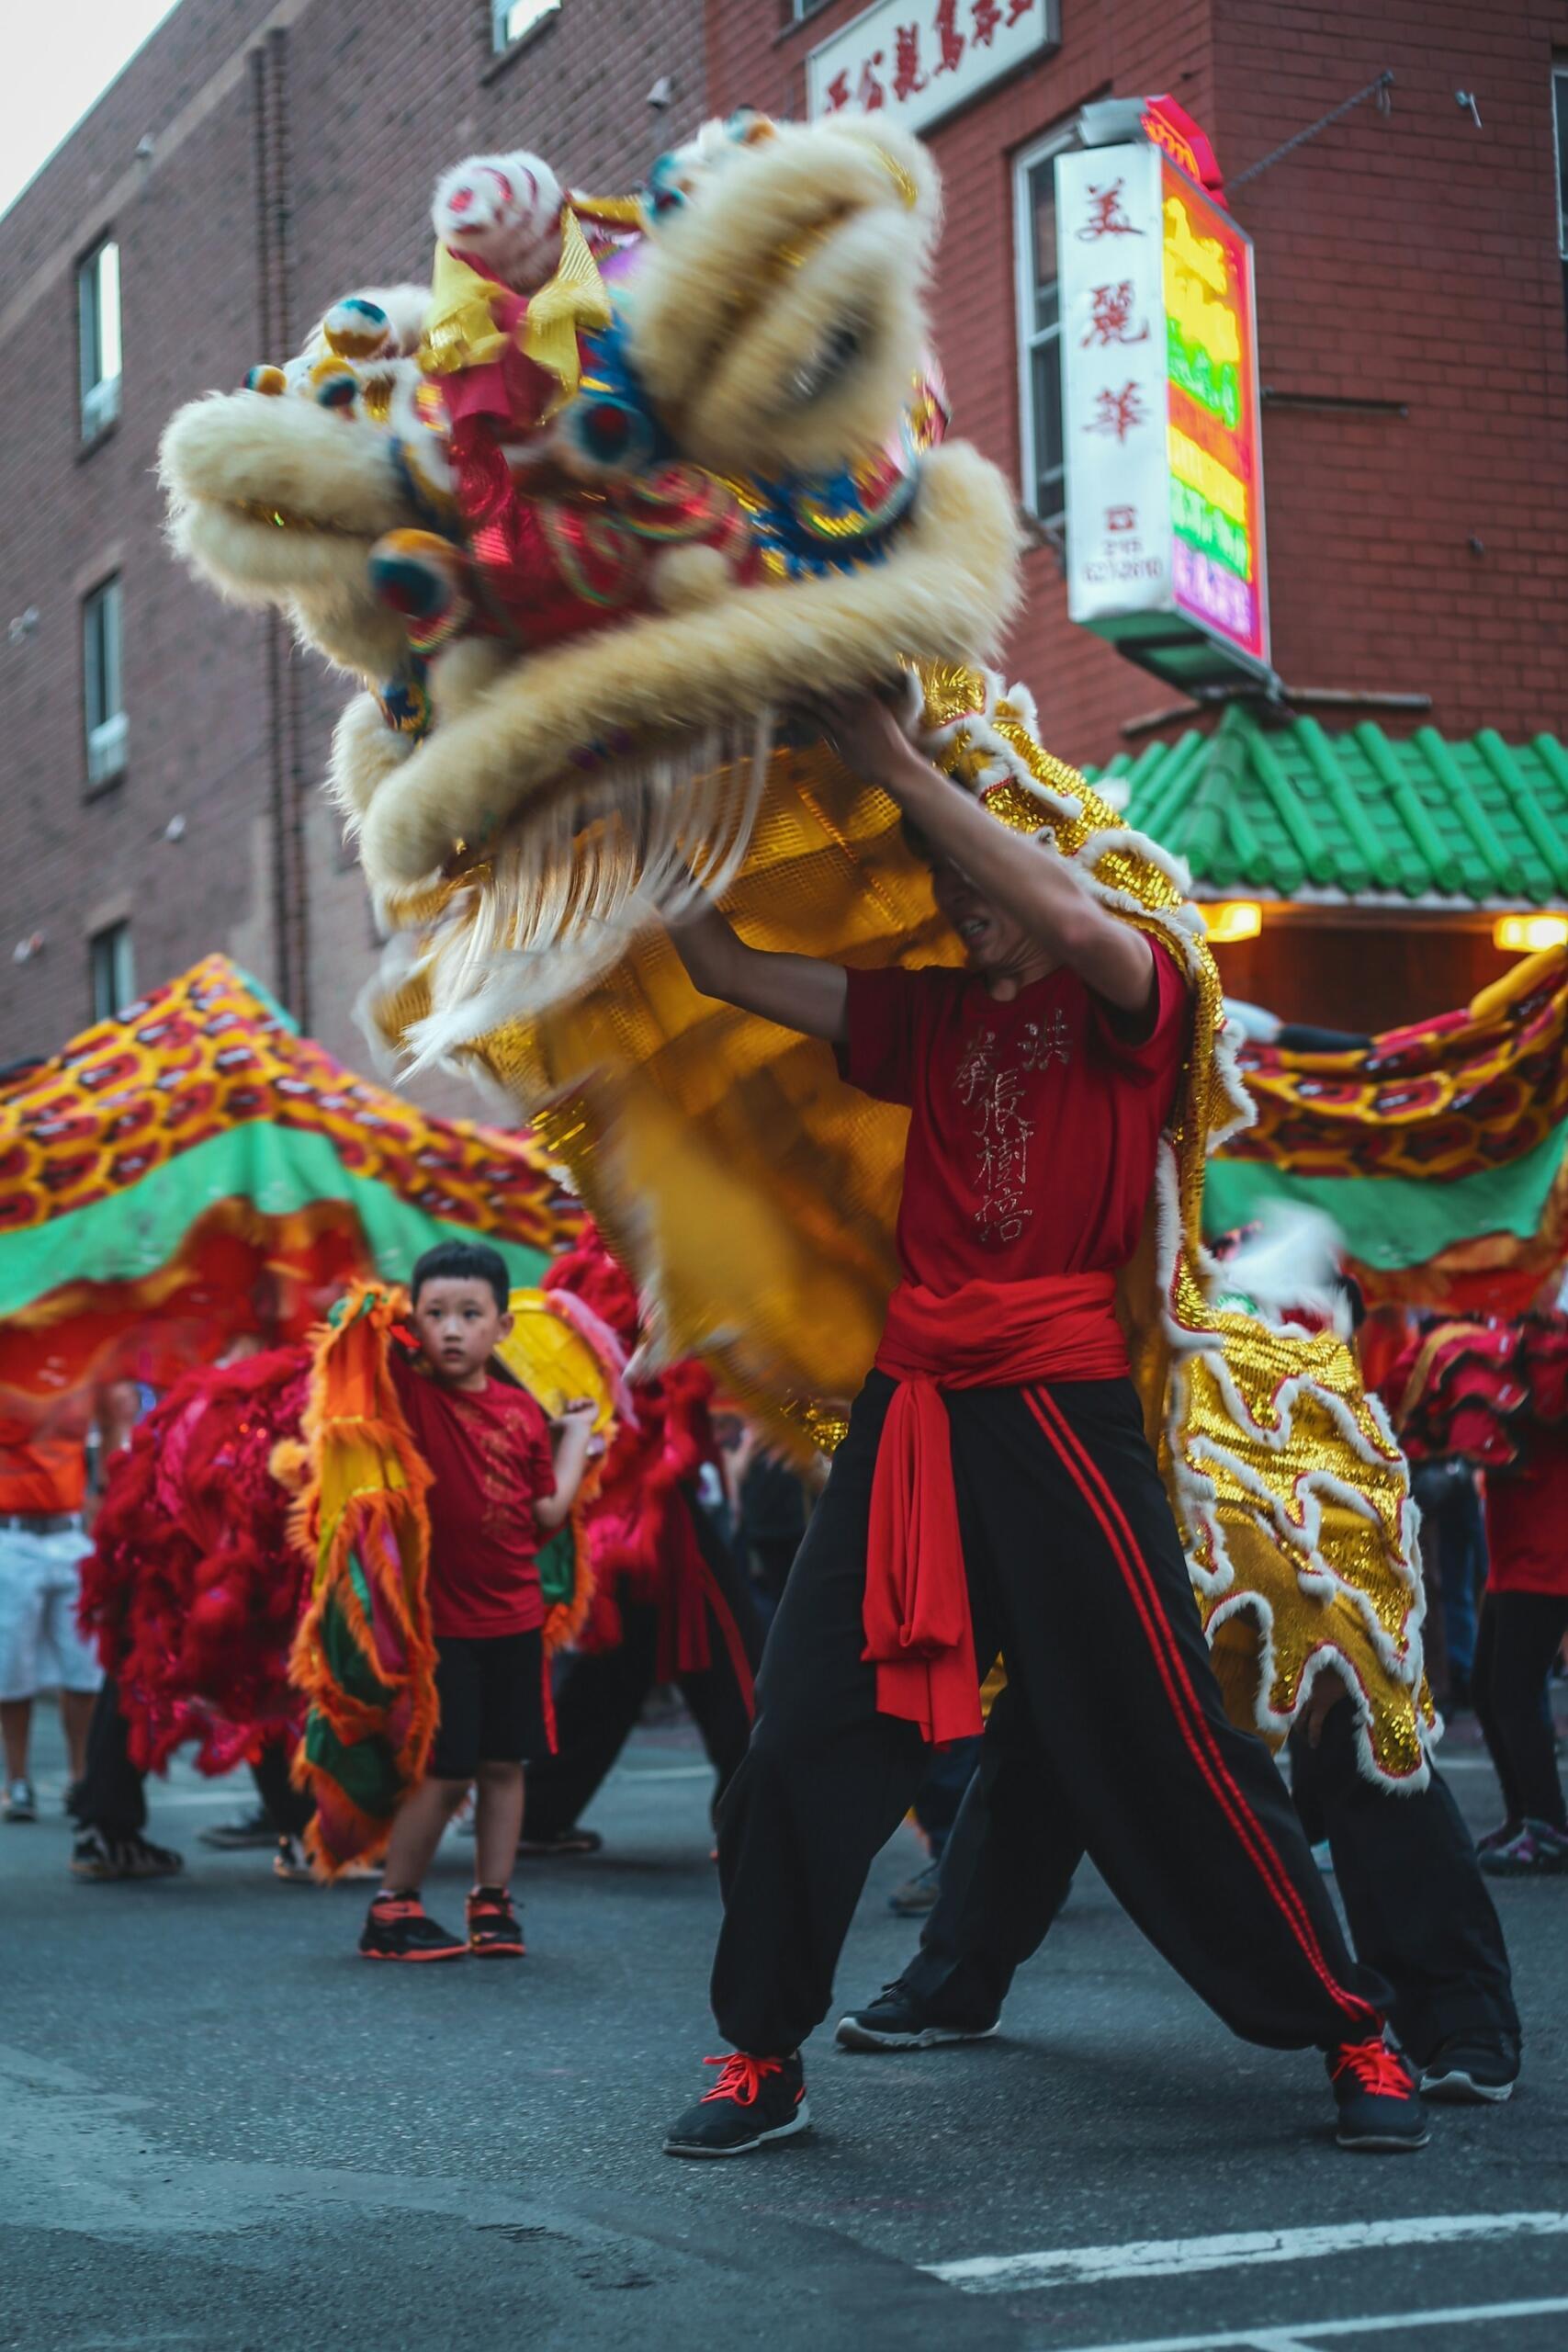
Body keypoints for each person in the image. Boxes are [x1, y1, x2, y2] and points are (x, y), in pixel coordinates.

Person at [660, 689, 1427, 2160]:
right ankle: (760, 2051)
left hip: (1061, 1405)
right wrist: (652, 803)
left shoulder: (1133, 995)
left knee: (1162, 1738)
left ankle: (1347, 2028)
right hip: (915, 1414)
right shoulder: (926, 1014)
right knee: (802, 1734)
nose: (972, 906)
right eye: (953, 890)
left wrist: (891, 760)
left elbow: (1072, 926)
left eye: (989, 877)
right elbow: (723, 966)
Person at [357, 1240, 597, 1962]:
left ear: (502, 1327)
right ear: (415, 1326)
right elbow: (364, 1338)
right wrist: (389, 1316)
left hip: (516, 1620)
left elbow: (546, 1514)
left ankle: (491, 1902)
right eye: (435, 1314)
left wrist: (577, 1435)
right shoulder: (411, 1397)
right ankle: (391, 1907)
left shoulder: (522, 1415)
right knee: (448, 1765)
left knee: (504, 1763)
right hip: (444, 1627)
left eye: (470, 1313)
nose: (452, 1329)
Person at [0, 1379, 128, 1823]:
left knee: (86, 1665)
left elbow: (115, 1419)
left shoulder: (81, 1370)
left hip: (71, 1535)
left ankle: (82, 1778)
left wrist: (107, 1494)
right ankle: (17, 1781)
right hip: (10, 1537)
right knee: (11, 1668)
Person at [1473, 1426, 1568, 1876]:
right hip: (1512, 1554)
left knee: (1512, 1693)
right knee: (1487, 1691)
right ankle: (1525, 1816)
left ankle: (1547, 1827)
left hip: (1547, 1555)